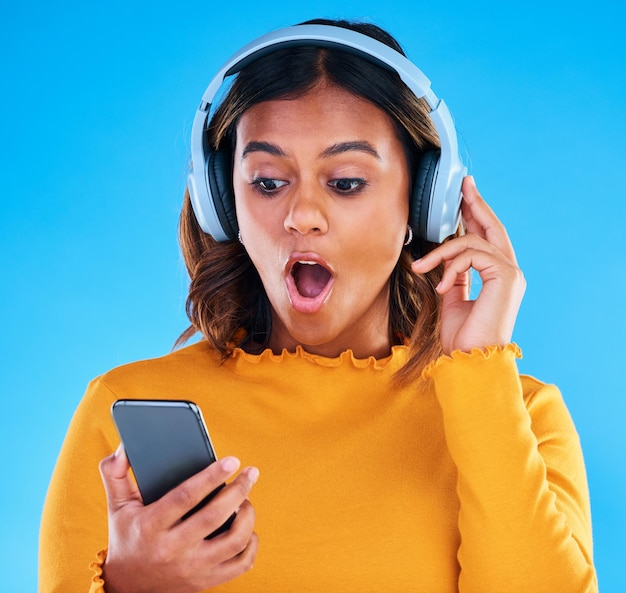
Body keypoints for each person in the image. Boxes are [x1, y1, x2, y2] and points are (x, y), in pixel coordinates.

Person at [39, 18, 598, 593]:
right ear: (221, 204)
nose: (301, 215)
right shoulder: (123, 413)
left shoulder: (520, 416)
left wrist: (480, 379)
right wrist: (132, 585)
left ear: (423, 202)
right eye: (267, 181)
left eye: (347, 182)